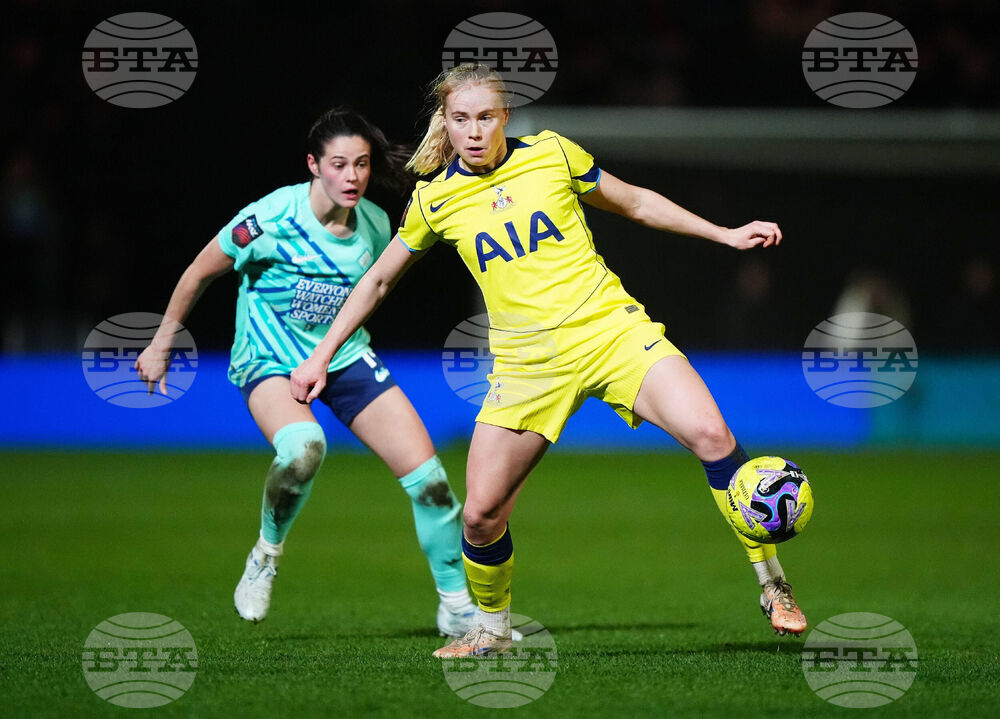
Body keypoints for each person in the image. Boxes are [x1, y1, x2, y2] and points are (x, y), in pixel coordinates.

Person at [290, 66, 807, 658]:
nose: (475, 131)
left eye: (486, 117)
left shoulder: (553, 154)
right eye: (461, 119)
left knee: (714, 436)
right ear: (447, 124)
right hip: (526, 366)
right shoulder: (435, 198)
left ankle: (773, 585)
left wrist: (724, 235)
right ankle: (493, 630)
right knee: (481, 516)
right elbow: (379, 278)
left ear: (505, 117)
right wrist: (322, 355)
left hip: (610, 332)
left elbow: (634, 202)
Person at [135, 107, 479, 637]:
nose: (353, 176)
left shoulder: (375, 224)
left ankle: (456, 609)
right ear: (314, 165)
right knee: (303, 450)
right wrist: (163, 341)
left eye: (361, 164)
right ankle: (266, 555)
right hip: (270, 361)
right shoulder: (269, 220)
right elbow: (201, 269)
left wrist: (331, 351)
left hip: (343, 359)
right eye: (339, 164)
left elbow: (367, 294)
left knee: (432, 485)